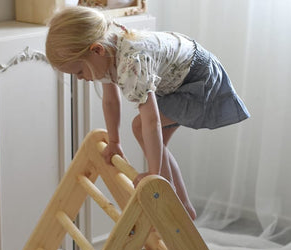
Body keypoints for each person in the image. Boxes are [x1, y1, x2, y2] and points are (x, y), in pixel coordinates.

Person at [45, 6, 250, 220]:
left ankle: (171, 196)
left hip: (199, 80)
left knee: (140, 127)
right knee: (154, 143)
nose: (79, 78)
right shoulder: (106, 51)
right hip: (177, 80)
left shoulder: (131, 63)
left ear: (97, 50)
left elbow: (151, 122)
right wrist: (114, 142)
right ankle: (182, 207)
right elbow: (110, 101)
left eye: (79, 71)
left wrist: (152, 175)